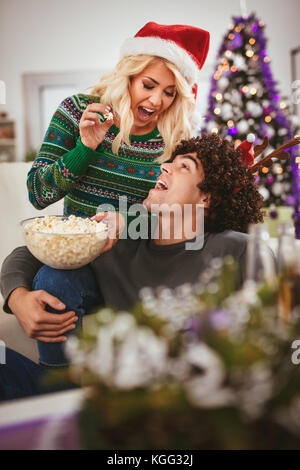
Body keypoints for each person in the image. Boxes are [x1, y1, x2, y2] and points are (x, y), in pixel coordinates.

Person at [0, 133, 268, 401]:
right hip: (110, 402)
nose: (165, 166)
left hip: (191, 405)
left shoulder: (236, 249)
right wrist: (17, 296)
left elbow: (273, 338)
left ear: (206, 199)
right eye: (170, 161)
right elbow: (29, 254)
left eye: (183, 166)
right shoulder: (117, 243)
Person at [27, 22, 210, 219]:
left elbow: (174, 215)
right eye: (148, 86)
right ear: (128, 78)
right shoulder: (77, 111)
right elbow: (37, 195)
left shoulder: (173, 136)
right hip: (78, 248)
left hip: (138, 249)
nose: (157, 101)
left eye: (169, 92)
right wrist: (85, 149)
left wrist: (124, 224)